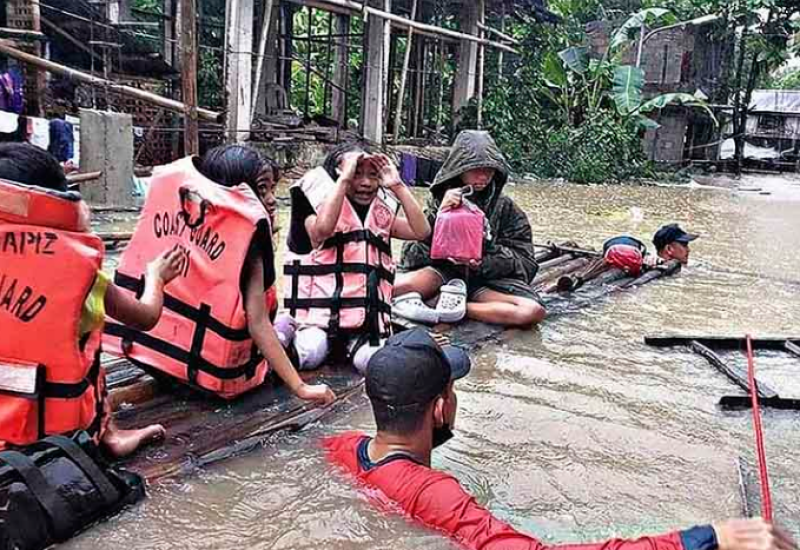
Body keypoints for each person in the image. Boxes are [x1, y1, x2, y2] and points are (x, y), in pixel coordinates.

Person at [324, 328, 797, 550]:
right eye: (453, 390)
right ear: (440, 407)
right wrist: (706, 537)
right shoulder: (436, 491)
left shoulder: (341, 448)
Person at [103, 145, 334, 405]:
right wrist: (301, 387)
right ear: (236, 190)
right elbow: (258, 324)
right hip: (216, 379)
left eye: (272, 189)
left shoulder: (180, 213)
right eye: (261, 189)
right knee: (286, 327)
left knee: (282, 322)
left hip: (155, 360)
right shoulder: (250, 243)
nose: (271, 199)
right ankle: (289, 326)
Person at [0, 143, 180, 457]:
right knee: (86, 339)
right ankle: (108, 433)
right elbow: (145, 316)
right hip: (57, 443)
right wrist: (157, 277)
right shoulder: (78, 270)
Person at [280, 141, 430, 373]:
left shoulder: (381, 214)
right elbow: (322, 231)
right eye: (356, 174)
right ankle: (283, 329)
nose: (366, 183)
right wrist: (343, 180)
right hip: (317, 322)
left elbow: (421, 231)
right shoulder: (312, 203)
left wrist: (397, 185)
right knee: (310, 352)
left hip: (365, 326)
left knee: (373, 362)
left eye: (373, 175)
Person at [393, 131, 546, 328]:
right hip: (441, 274)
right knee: (391, 289)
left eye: (489, 170)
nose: (483, 177)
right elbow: (410, 255)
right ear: (459, 169)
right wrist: (439, 217)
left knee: (532, 311)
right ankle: (440, 299)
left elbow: (526, 263)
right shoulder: (440, 200)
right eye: (476, 169)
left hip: (483, 284)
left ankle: (453, 308)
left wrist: (482, 259)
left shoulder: (506, 208)